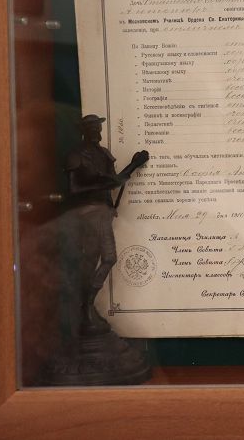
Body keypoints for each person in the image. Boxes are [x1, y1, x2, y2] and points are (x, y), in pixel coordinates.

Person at [65, 114, 149, 334]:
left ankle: (86, 307)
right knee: (100, 259)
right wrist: (101, 185)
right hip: (88, 214)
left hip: (103, 213)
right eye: (92, 128)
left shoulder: (104, 154)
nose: (97, 132)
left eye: (98, 128)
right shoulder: (76, 155)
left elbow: (116, 181)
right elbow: (73, 190)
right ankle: (85, 308)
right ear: (84, 131)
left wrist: (134, 165)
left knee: (100, 259)